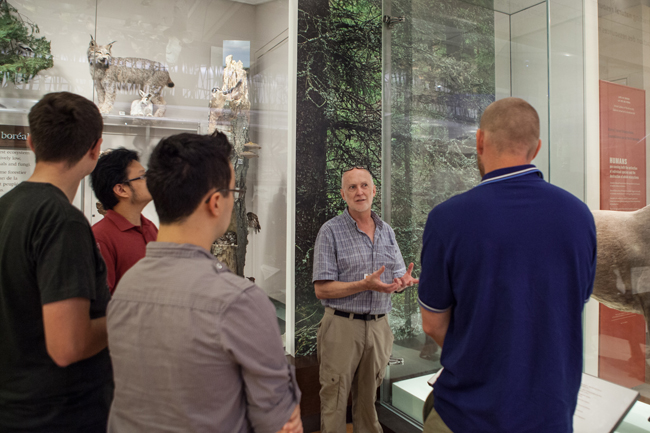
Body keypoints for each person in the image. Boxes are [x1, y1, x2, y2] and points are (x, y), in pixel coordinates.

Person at [418, 97, 597, 433]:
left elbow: (432, 324)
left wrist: (477, 353)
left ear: (480, 141)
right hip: (551, 416)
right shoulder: (580, 217)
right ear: (537, 147)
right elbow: (573, 304)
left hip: (467, 415)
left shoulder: (447, 220)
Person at [106, 132, 302, 433]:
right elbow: (280, 421)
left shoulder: (127, 286)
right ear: (215, 203)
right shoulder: (240, 301)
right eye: (233, 192)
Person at [0, 92, 113, 432]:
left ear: (31, 142)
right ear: (95, 149)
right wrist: (126, 316)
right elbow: (67, 346)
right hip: (57, 416)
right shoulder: (62, 221)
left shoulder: (6, 208)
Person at [313, 167, 419, 433]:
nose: (359, 192)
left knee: (368, 402)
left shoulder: (387, 231)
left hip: (379, 328)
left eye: (364, 186)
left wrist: (401, 284)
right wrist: (363, 285)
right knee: (334, 401)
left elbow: (393, 278)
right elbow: (322, 290)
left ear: (374, 191)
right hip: (341, 327)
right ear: (343, 194)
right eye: (352, 187)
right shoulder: (330, 232)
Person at [90, 148, 158, 294]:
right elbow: (103, 302)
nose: (150, 180)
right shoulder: (101, 237)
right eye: (143, 177)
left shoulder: (150, 227)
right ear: (121, 190)